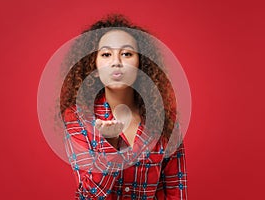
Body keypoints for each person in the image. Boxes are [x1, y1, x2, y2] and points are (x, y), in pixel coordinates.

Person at [60, 14, 187, 200]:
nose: (116, 62)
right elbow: (89, 196)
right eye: (106, 54)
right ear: (93, 67)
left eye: (126, 54)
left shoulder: (165, 119)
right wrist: (110, 148)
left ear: (141, 64)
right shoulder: (78, 117)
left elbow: (175, 191)